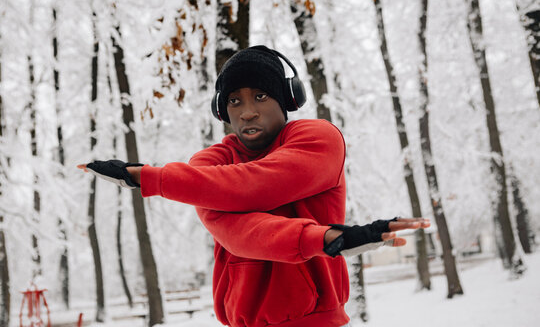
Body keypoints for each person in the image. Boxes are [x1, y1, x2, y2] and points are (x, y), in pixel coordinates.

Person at [78, 45, 429, 327]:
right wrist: (322, 238)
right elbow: (237, 232)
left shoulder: (318, 138)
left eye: (260, 96)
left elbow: (255, 186)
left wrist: (149, 177)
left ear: (287, 100)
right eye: (235, 100)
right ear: (222, 110)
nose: (247, 112)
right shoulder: (207, 166)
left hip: (314, 321)